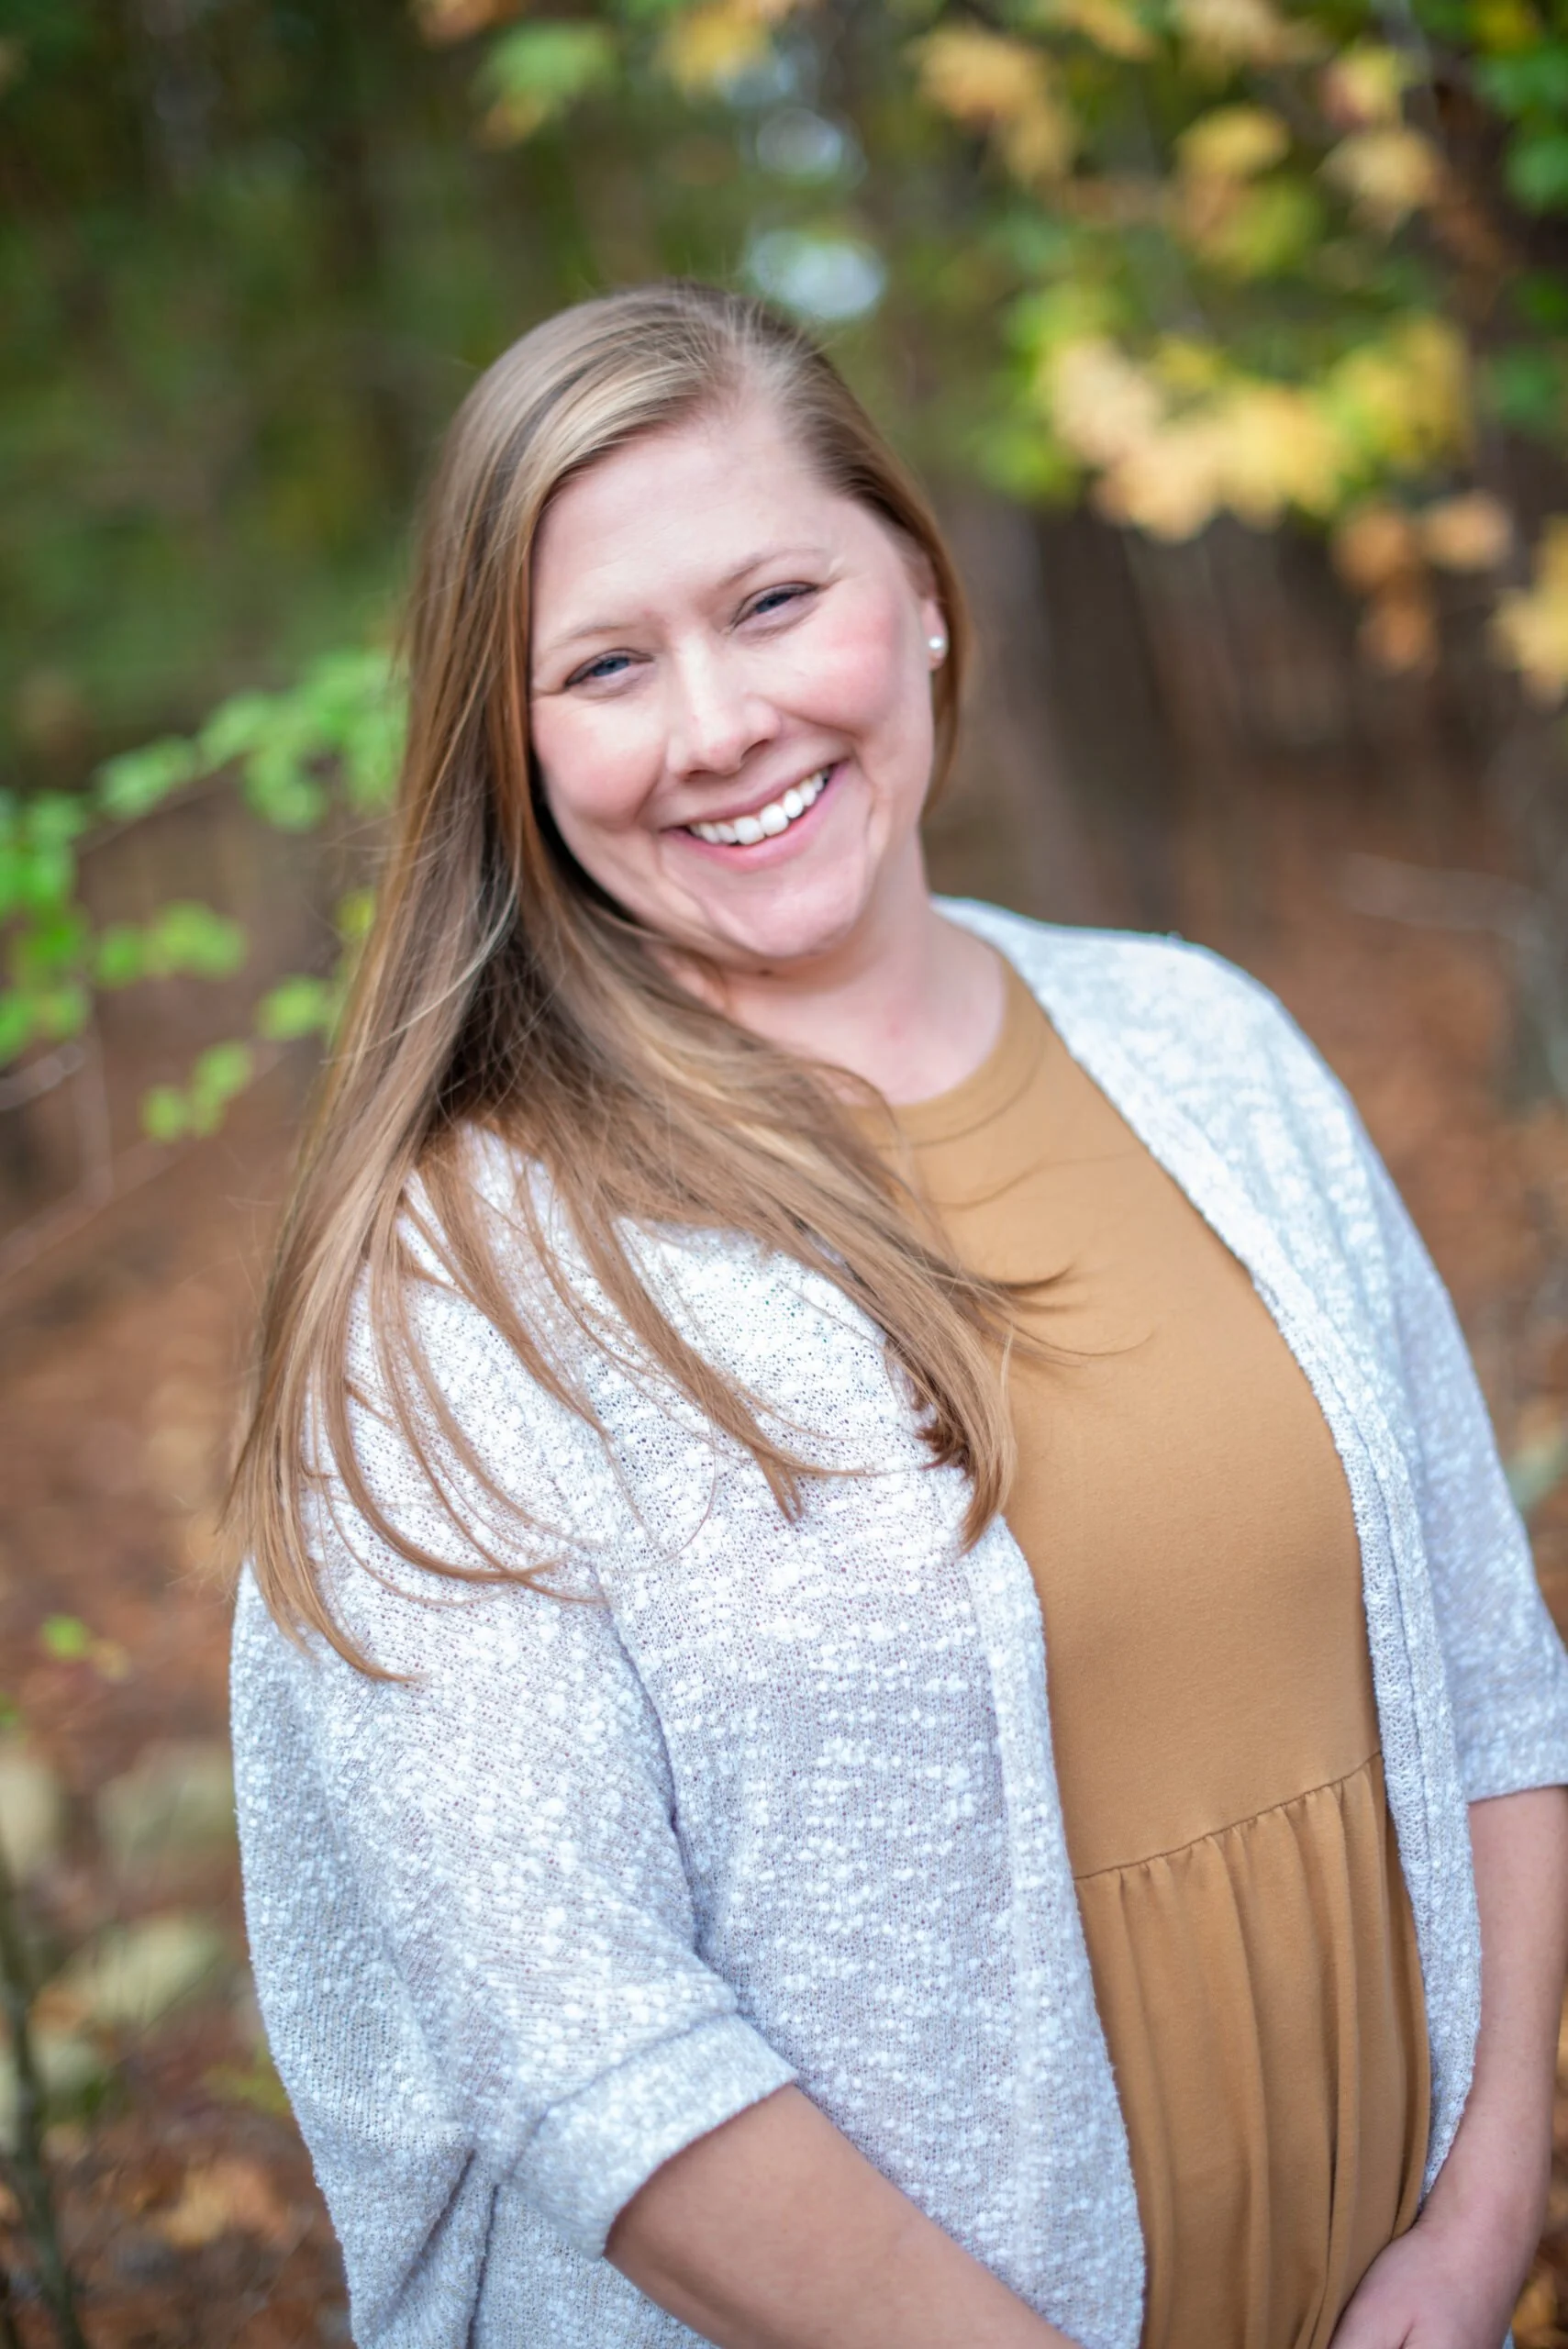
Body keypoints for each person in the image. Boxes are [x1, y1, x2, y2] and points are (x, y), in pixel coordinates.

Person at [228, 281, 1568, 2349]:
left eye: (772, 602)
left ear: (919, 596)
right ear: (515, 750)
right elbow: (573, 2033)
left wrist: (1483, 2214)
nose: (716, 723)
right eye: (604, 663)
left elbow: (1489, 1677)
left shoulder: (1203, 1044)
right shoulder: (453, 1290)